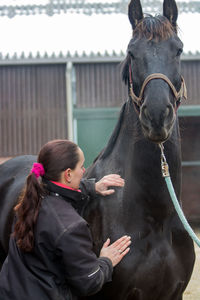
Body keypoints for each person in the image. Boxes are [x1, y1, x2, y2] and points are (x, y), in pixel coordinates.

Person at [0, 139, 131, 300]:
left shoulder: (29, 200)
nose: (84, 171)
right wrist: (106, 261)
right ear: (68, 174)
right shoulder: (71, 227)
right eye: (81, 166)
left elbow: (58, 187)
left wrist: (92, 187)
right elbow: (89, 282)